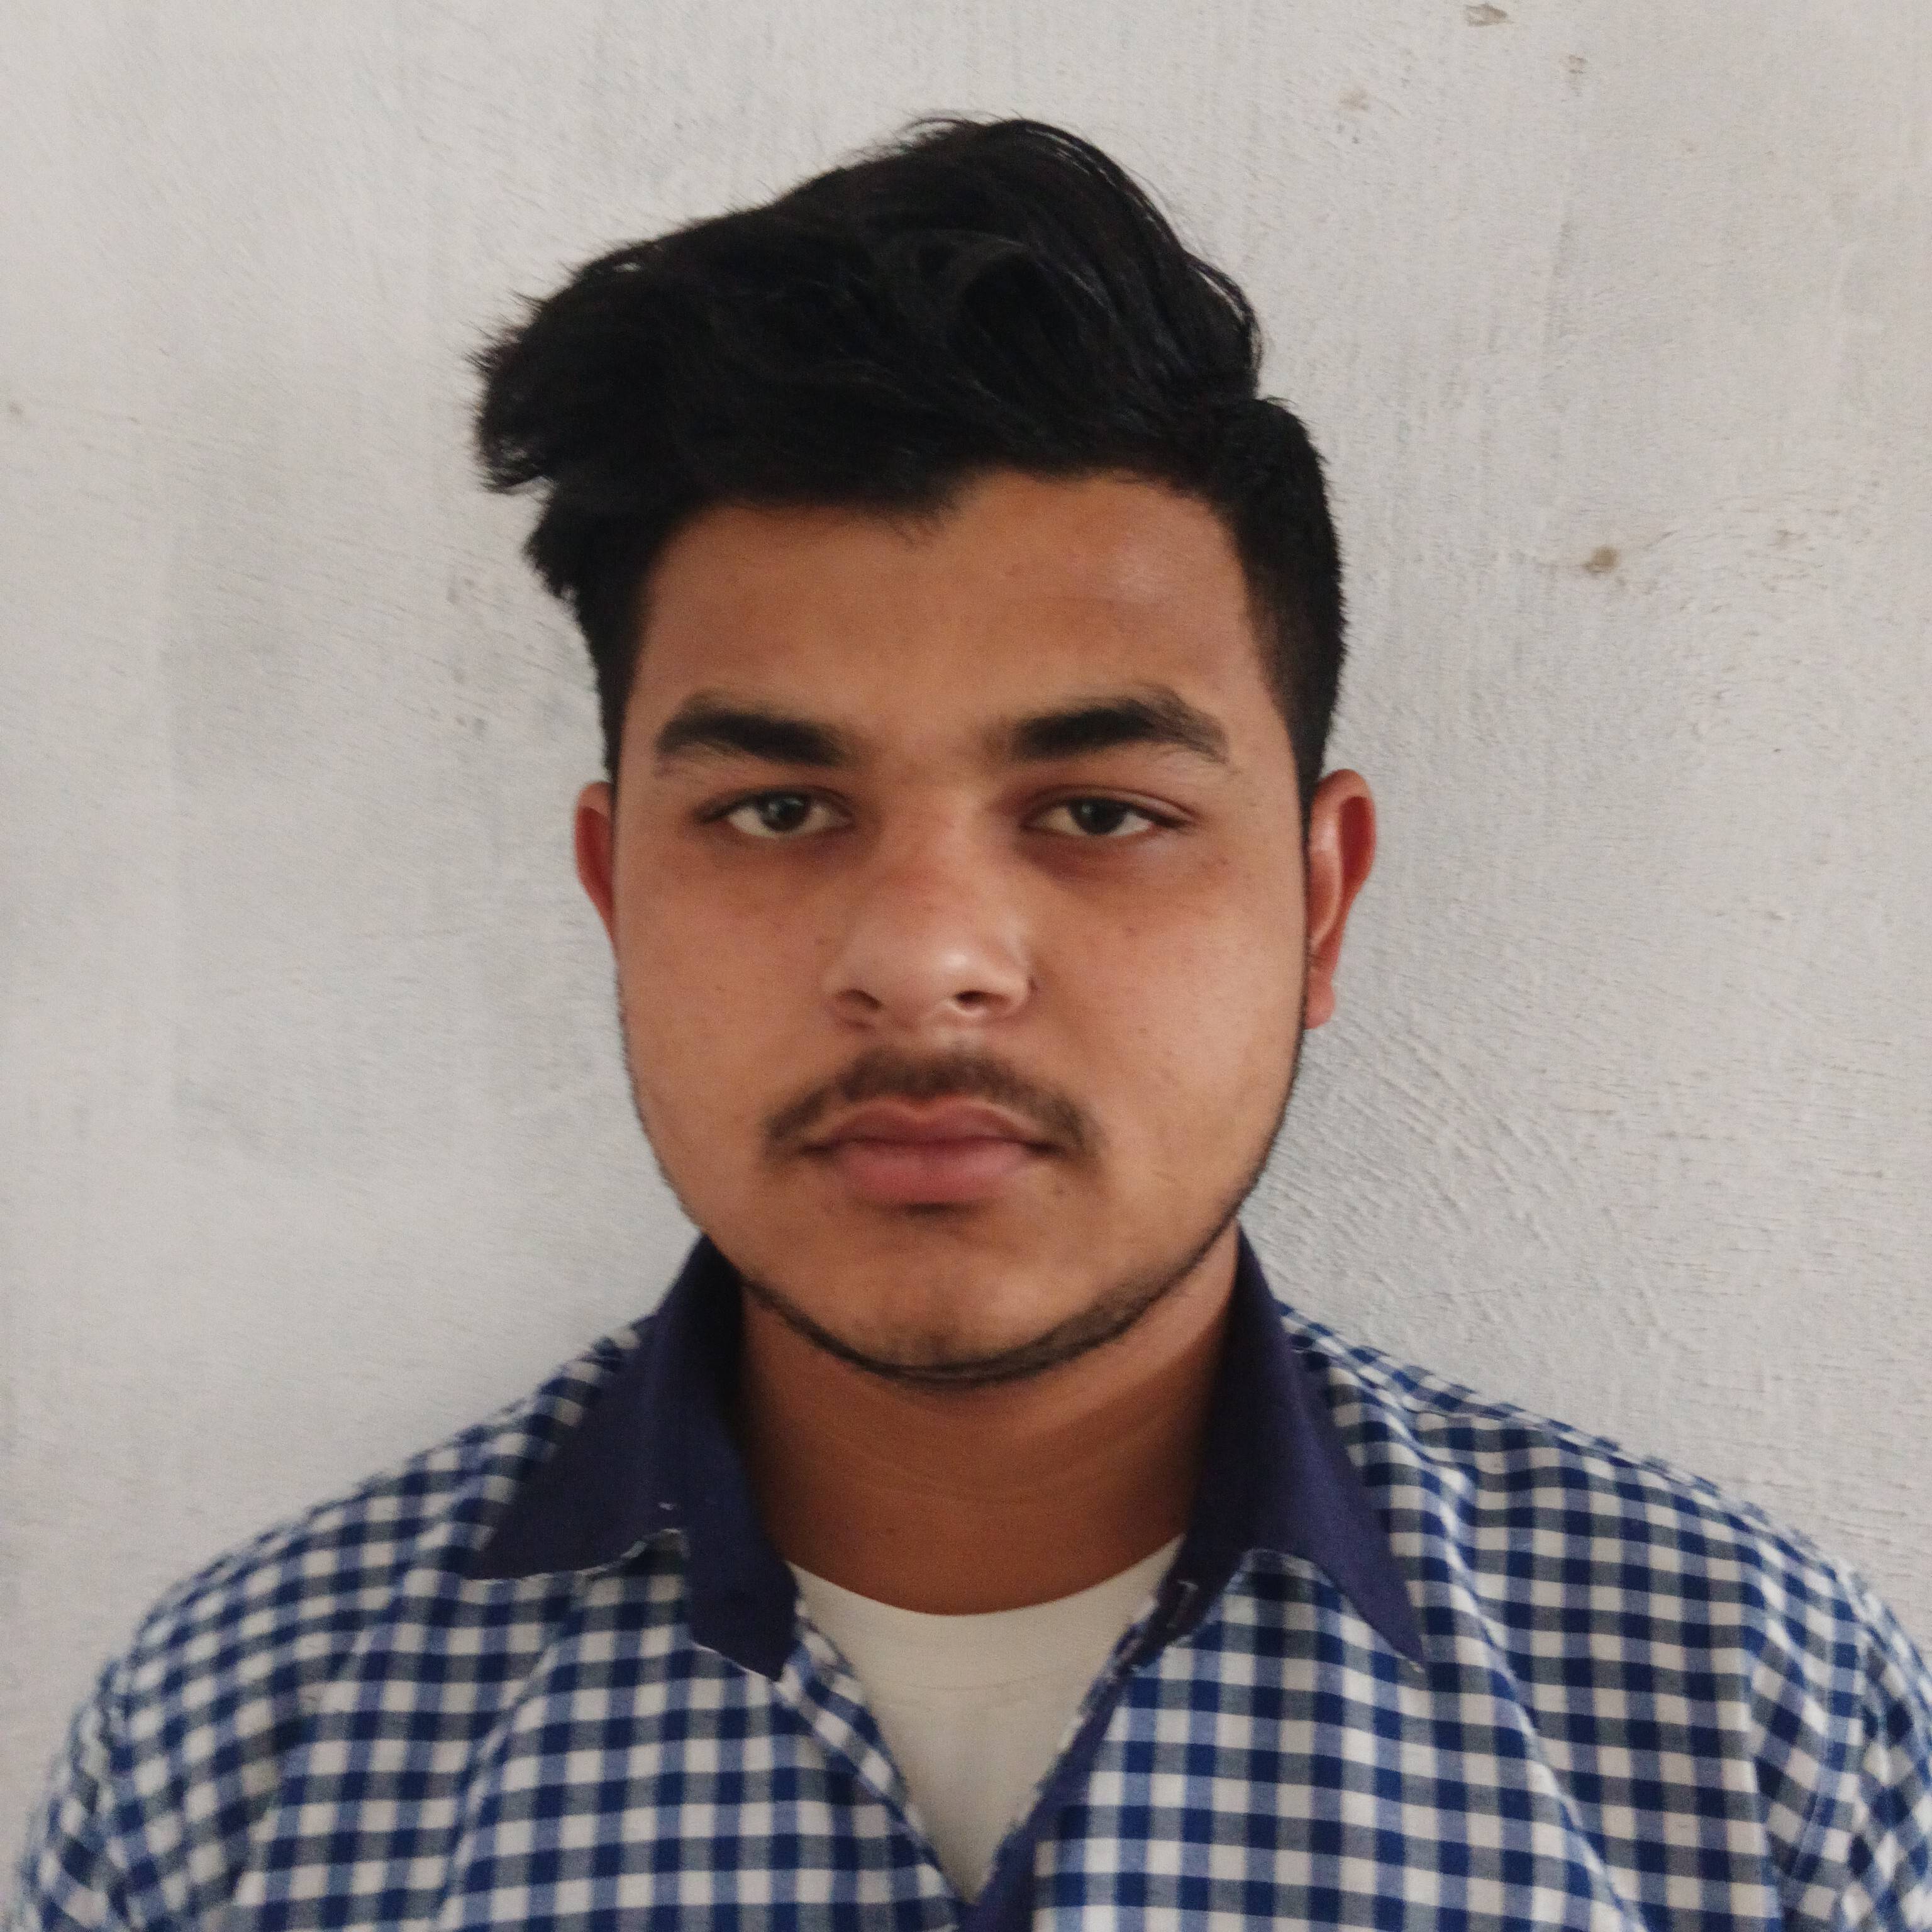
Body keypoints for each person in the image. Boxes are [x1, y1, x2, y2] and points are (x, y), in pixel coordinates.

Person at [11, 115, 1930, 1932]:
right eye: (778, 811)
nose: (927, 960)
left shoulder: (1759, 1741)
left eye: (1098, 813)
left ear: (1321, 903)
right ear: (613, 890)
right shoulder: (230, 1769)